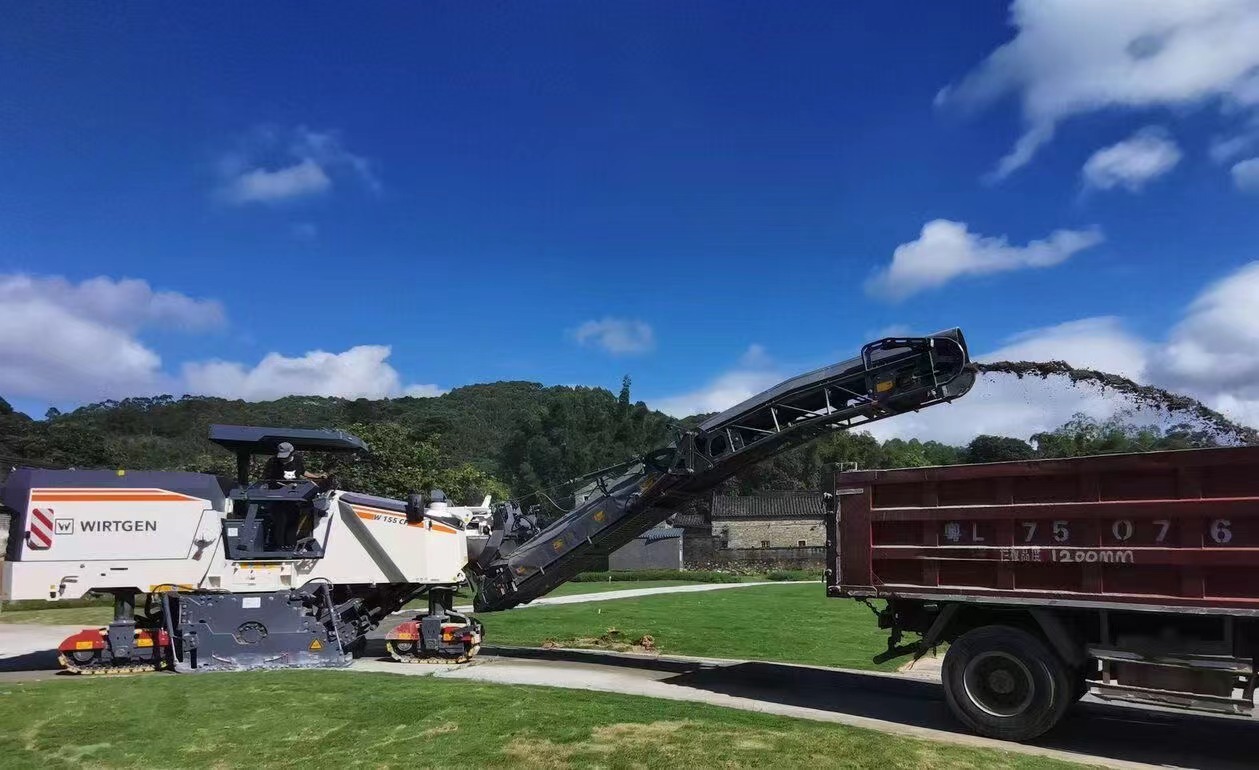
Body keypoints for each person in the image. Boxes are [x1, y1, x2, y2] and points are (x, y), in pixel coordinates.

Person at [262, 442, 306, 550]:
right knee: (280, 520)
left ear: (292, 453)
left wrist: (317, 477)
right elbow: (266, 479)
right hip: (277, 497)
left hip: (294, 497)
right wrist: (282, 485)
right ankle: (278, 545)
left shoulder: (298, 459)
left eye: (285, 456)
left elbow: (302, 473)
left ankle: (290, 545)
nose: (283, 459)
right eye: (281, 457)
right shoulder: (273, 462)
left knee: (293, 520)